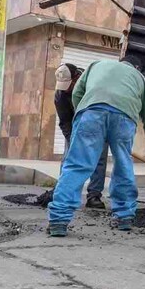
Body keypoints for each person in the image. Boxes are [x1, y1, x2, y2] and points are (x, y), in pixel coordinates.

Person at [48, 55, 145, 237]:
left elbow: (78, 93)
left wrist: (84, 119)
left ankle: (59, 219)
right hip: (124, 119)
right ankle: (124, 217)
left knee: (77, 165)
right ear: (136, 68)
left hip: (91, 113)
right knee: (123, 165)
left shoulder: (96, 65)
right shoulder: (139, 79)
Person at [53, 63, 108, 210]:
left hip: (97, 123)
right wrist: (73, 140)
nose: (67, 89)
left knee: (99, 159)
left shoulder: (93, 85)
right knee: (68, 158)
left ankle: (94, 196)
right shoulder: (60, 95)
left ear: (77, 77)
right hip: (74, 126)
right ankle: (64, 193)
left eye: (69, 84)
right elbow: (65, 122)